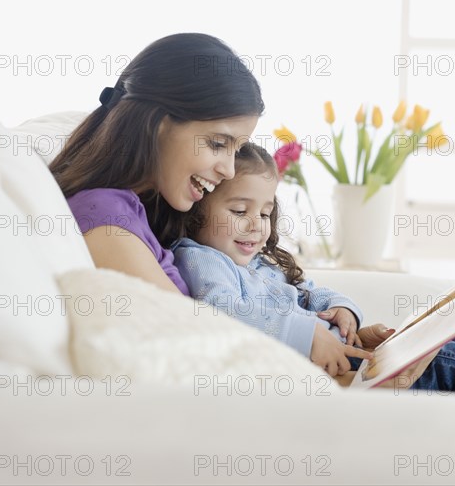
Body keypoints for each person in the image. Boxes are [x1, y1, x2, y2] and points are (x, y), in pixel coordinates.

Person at [49, 32, 370, 373]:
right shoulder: (106, 219)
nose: (228, 169)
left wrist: (341, 334)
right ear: (158, 124)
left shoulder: (144, 210)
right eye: (218, 144)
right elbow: (196, 337)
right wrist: (310, 340)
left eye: (235, 150)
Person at [172, 142, 455, 396]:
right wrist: (310, 334)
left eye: (265, 213)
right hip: (341, 374)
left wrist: (344, 310)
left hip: (352, 356)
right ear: (198, 210)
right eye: (239, 212)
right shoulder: (202, 258)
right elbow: (219, 311)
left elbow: (310, 291)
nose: (256, 225)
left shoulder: (260, 264)